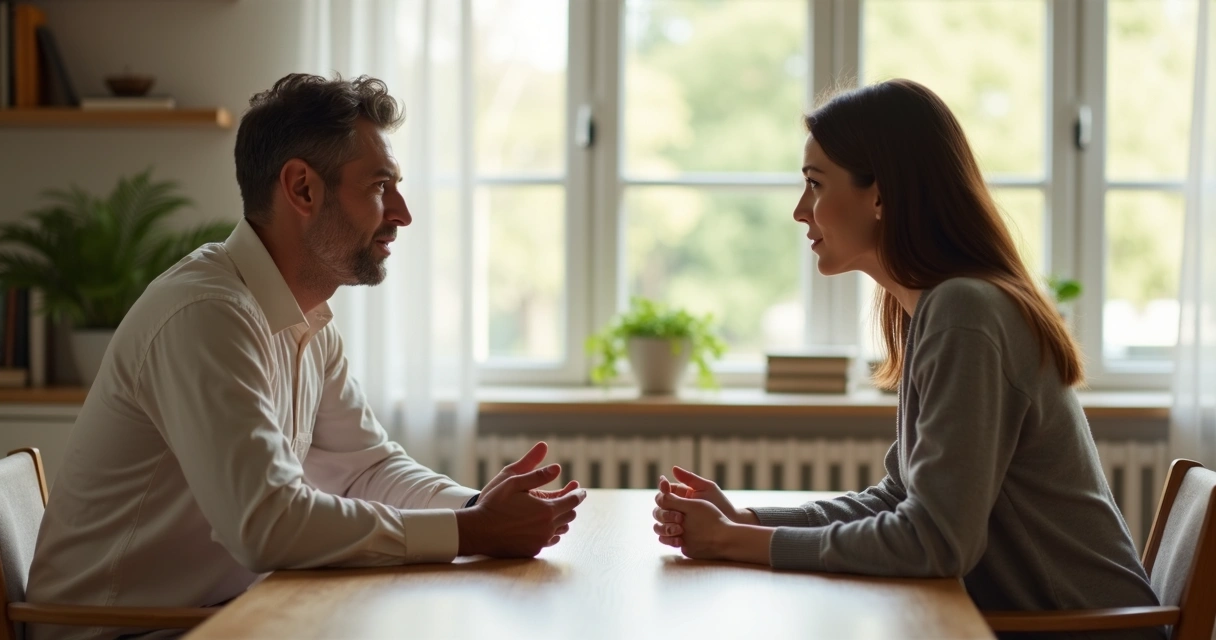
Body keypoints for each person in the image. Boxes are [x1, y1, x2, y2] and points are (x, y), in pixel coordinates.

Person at [26, 74, 585, 640]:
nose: (402, 212)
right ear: (302, 189)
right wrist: (473, 532)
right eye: (379, 186)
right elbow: (266, 525)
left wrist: (474, 506)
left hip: (220, 615)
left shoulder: (307, 318)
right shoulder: (206, 314)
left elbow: (368, 467)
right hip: (115, 632)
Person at [650, 79, 1162, 636]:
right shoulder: (939, 307)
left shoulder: (965, 311)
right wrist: (746, 518)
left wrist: (735, 541)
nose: (801, 211)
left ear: (880, 194)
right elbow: (902, 497)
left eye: (815, 185)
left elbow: (935, 542)